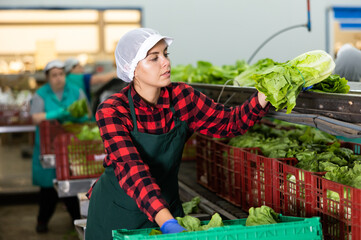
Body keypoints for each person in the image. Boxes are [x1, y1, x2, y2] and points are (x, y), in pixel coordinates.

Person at [85, 28, 270, 240]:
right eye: (154, 58)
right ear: (132, 68)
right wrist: (168, 222)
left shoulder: (182, 97)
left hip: (167, 207)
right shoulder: (112, 110)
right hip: (119, 212)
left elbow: (229, 123)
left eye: (165, 54)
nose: (165, 62)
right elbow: (132, 170)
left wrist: (268, 93)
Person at [30, 60, 88, 233]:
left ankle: (77, 223)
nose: (58, 78)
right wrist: (57, 113)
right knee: (48, 190)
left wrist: (77, 117)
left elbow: (87, 115)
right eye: (54, 75)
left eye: (61, 74)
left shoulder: (76, 91)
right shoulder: (41, 94)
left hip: (71, 148)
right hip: (49, 147)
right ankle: (42, 221)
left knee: (71, 188)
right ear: (47, 78)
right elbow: (35, 118)